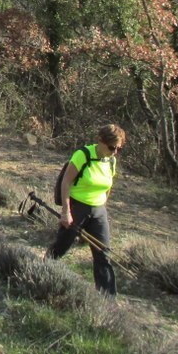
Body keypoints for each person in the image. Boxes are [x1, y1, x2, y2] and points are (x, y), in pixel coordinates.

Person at [47, 124, 126, 297]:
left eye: (118, 149)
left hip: (98, 210)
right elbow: (66, 182)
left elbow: (108, 186)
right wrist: (66, 211)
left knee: (103, 254)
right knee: (61, 247)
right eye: (112, 147)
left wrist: (103, 205)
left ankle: (108, 300)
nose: (114, 152)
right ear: (101, 141)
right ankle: (44, 270)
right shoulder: (83, 155)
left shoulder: (111, 160)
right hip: (78, 207)